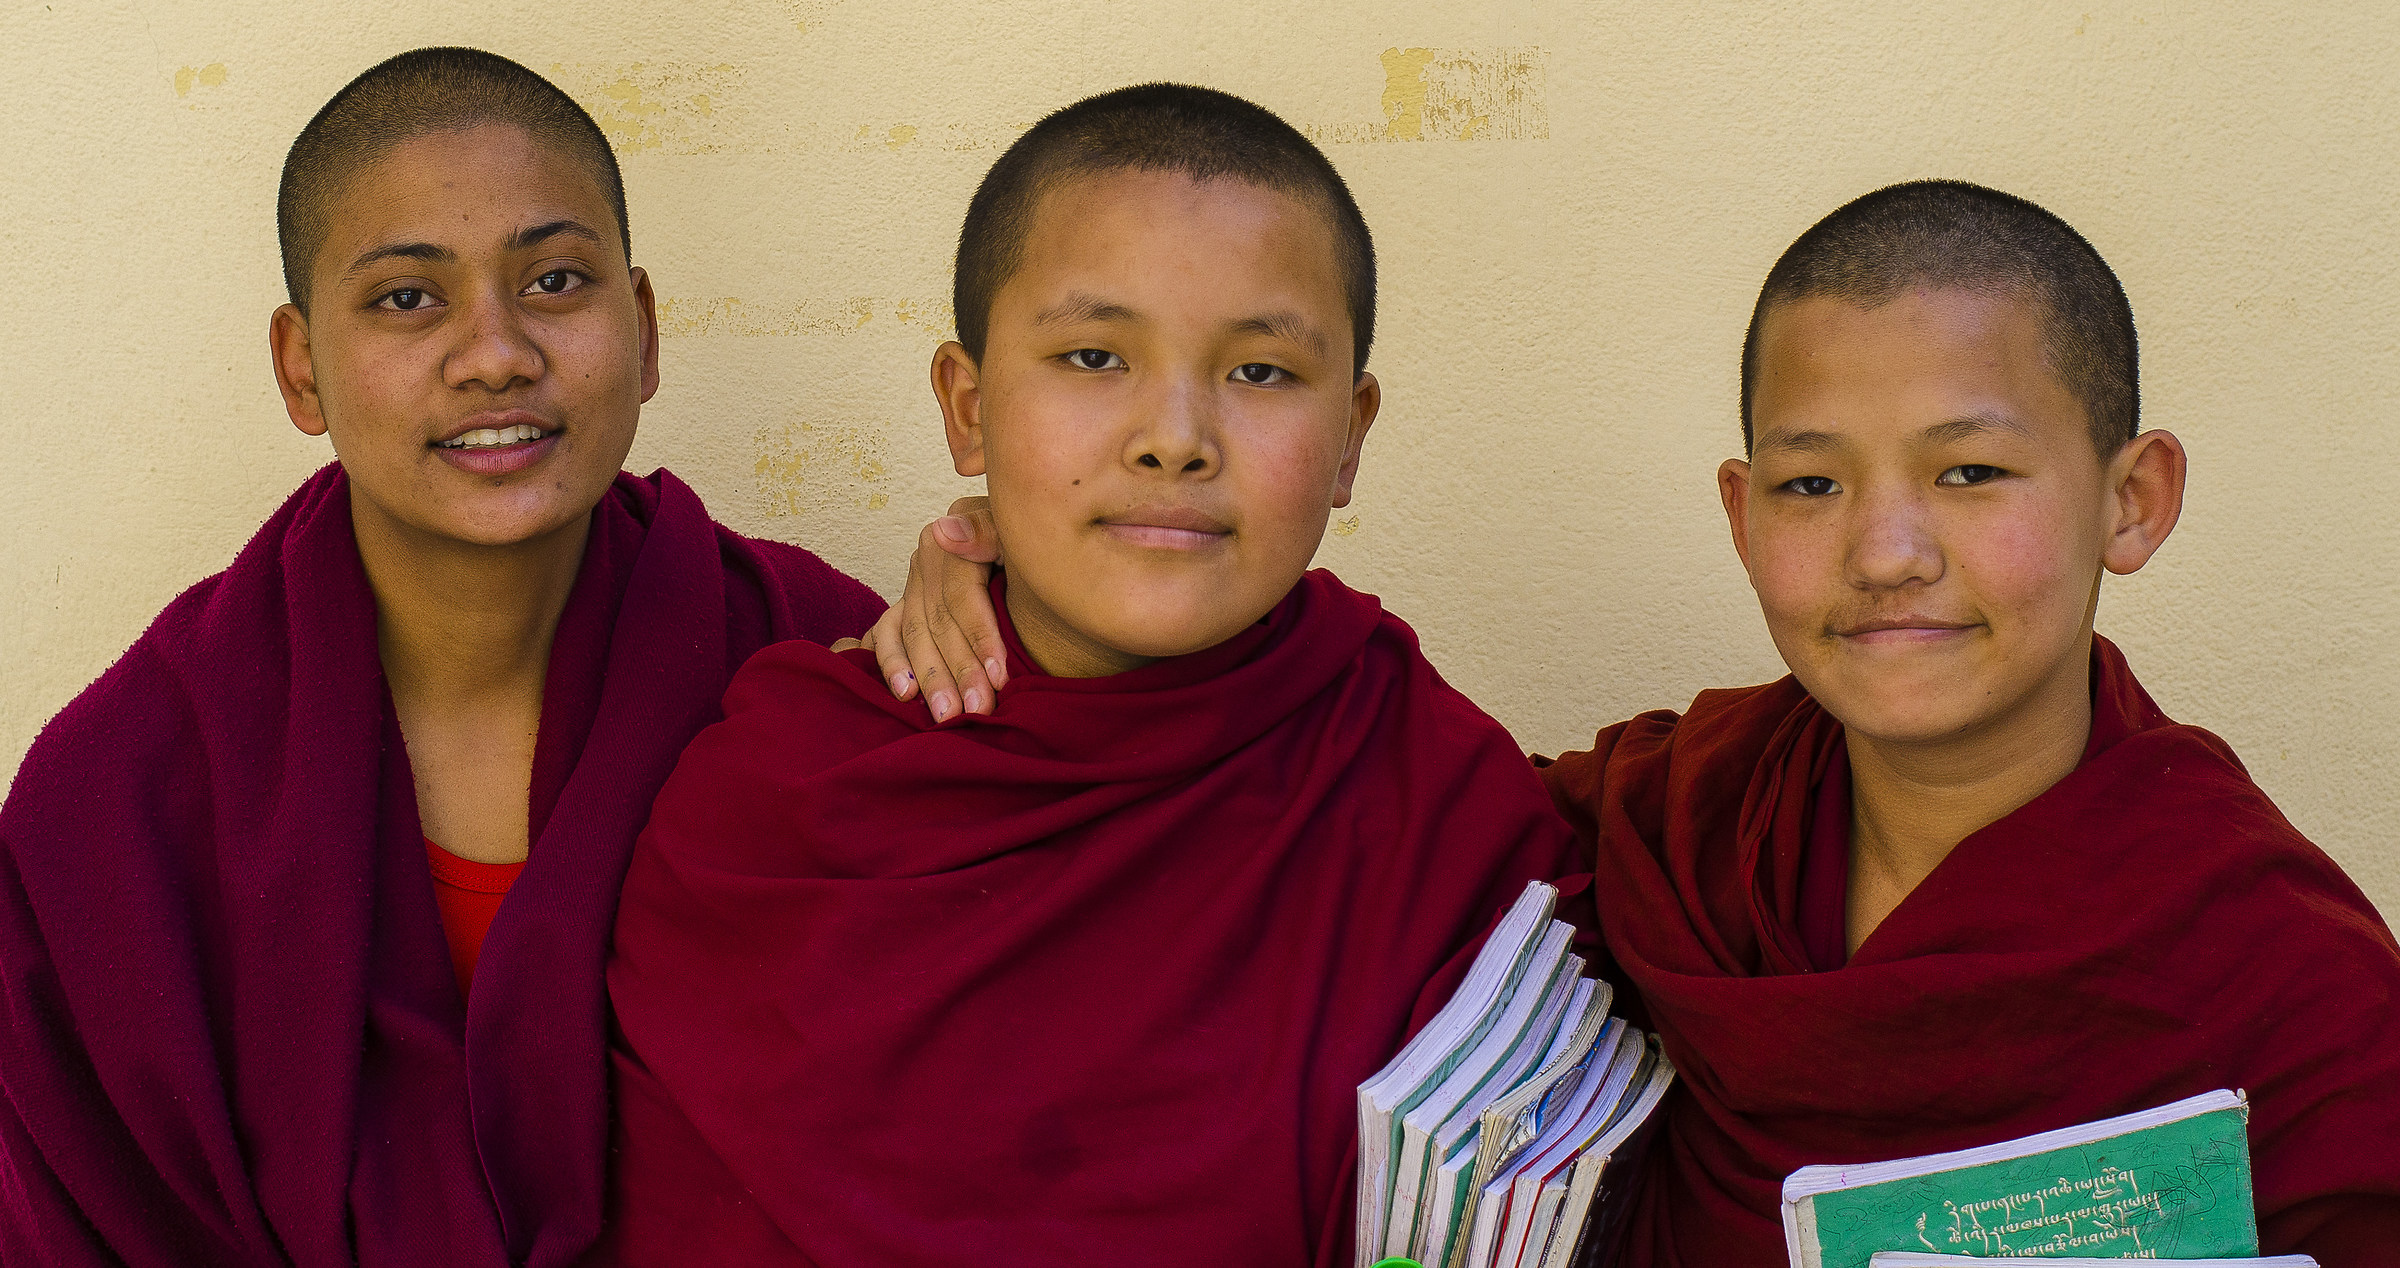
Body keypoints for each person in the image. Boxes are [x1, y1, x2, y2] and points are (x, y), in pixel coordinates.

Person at [873, 180, 2400, 1264]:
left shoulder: (2277, 967)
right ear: (1742, 517)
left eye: (1971, 474)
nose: (1885, 552)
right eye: (1812, 483)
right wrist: (1049, 573)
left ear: (2132, 503)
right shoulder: (1679, 823)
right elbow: (1300, 807)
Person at [596, 83, 1586, 1266]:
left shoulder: (1447, 811)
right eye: (1092, 355)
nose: (1174, 435)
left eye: (1261, 372)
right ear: (969, 410)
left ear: (1352, 438)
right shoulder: (780, 804)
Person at [0, 48, 882, 1267]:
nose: (495, 352)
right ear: (299, 365)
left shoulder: (814, 658)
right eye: (409, 298)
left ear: (645, 329)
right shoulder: (121, 793)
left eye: (555, 281)